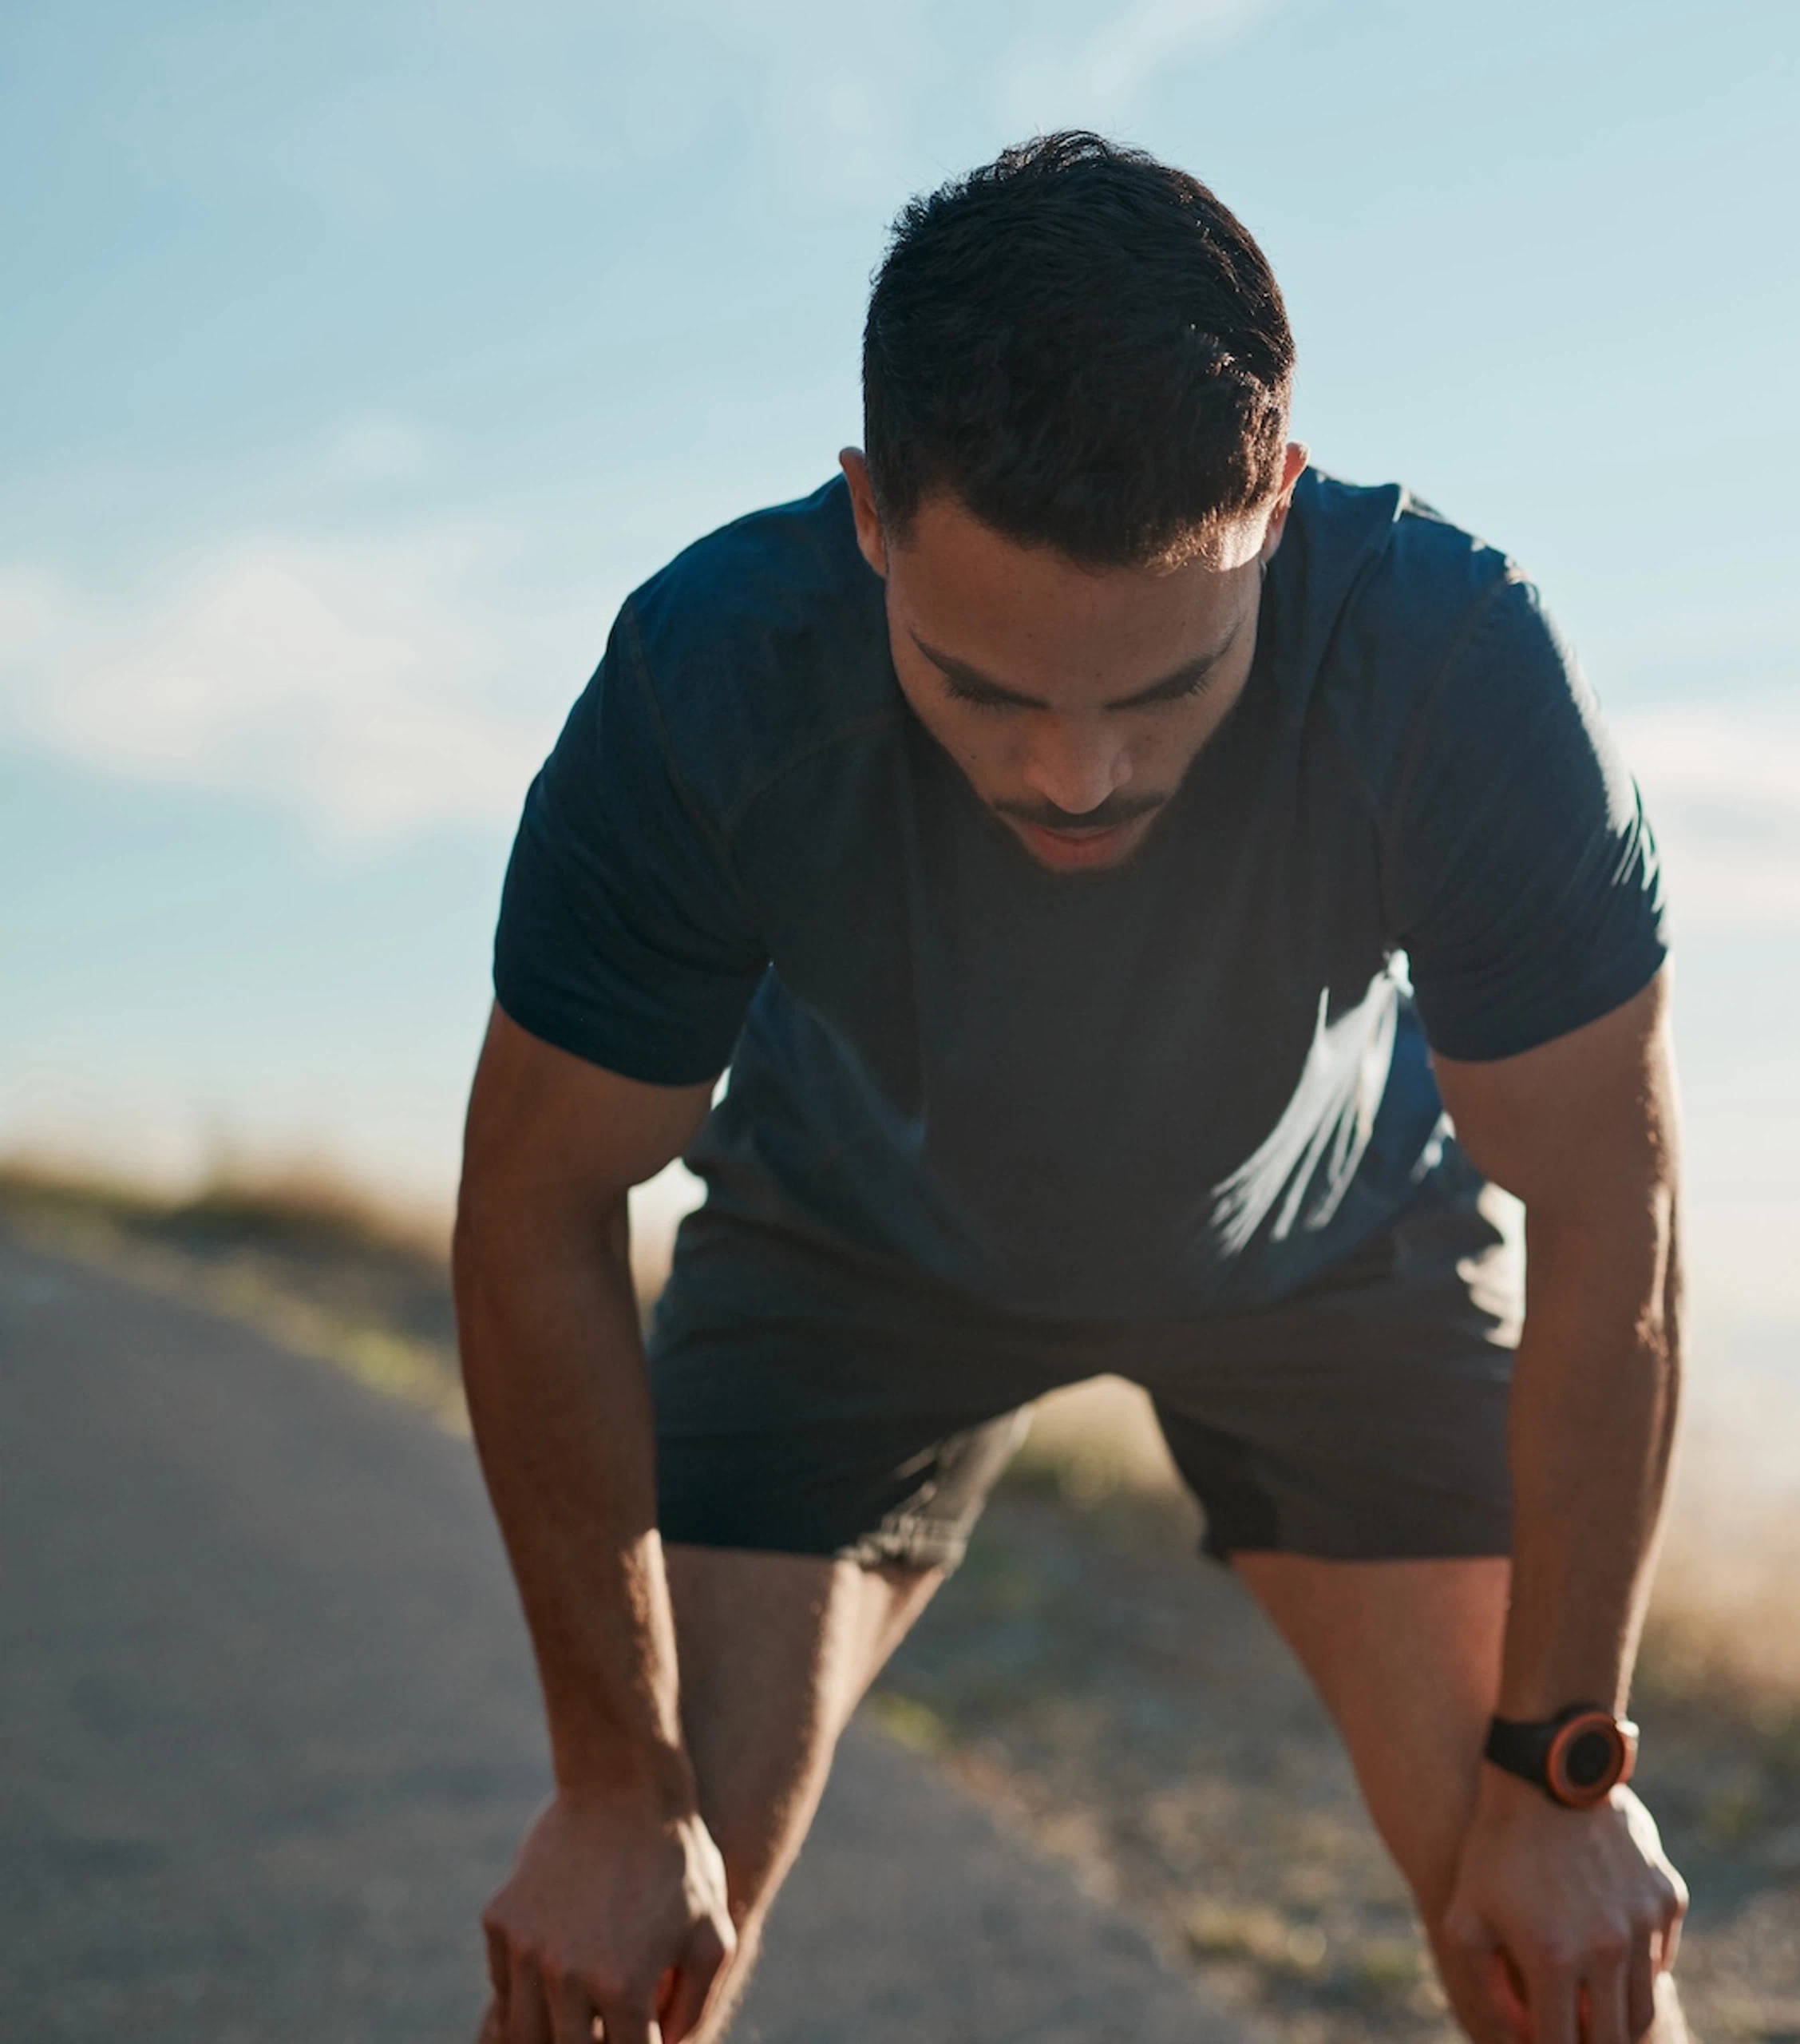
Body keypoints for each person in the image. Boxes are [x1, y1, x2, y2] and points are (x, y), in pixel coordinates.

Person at [456, 131, 1690, 2044]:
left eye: (1165, 689)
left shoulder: (1455, 668)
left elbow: (1618, 1210)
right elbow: (536, 1200)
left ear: (1278, 502)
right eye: (987, 688)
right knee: (615, 1978)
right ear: (870, 516)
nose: (1076, 776)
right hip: (850, 1260)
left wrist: (1566, 1772)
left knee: (1568, 1963)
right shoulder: (709, 683)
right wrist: (614, 1785)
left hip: (1328, 1262)